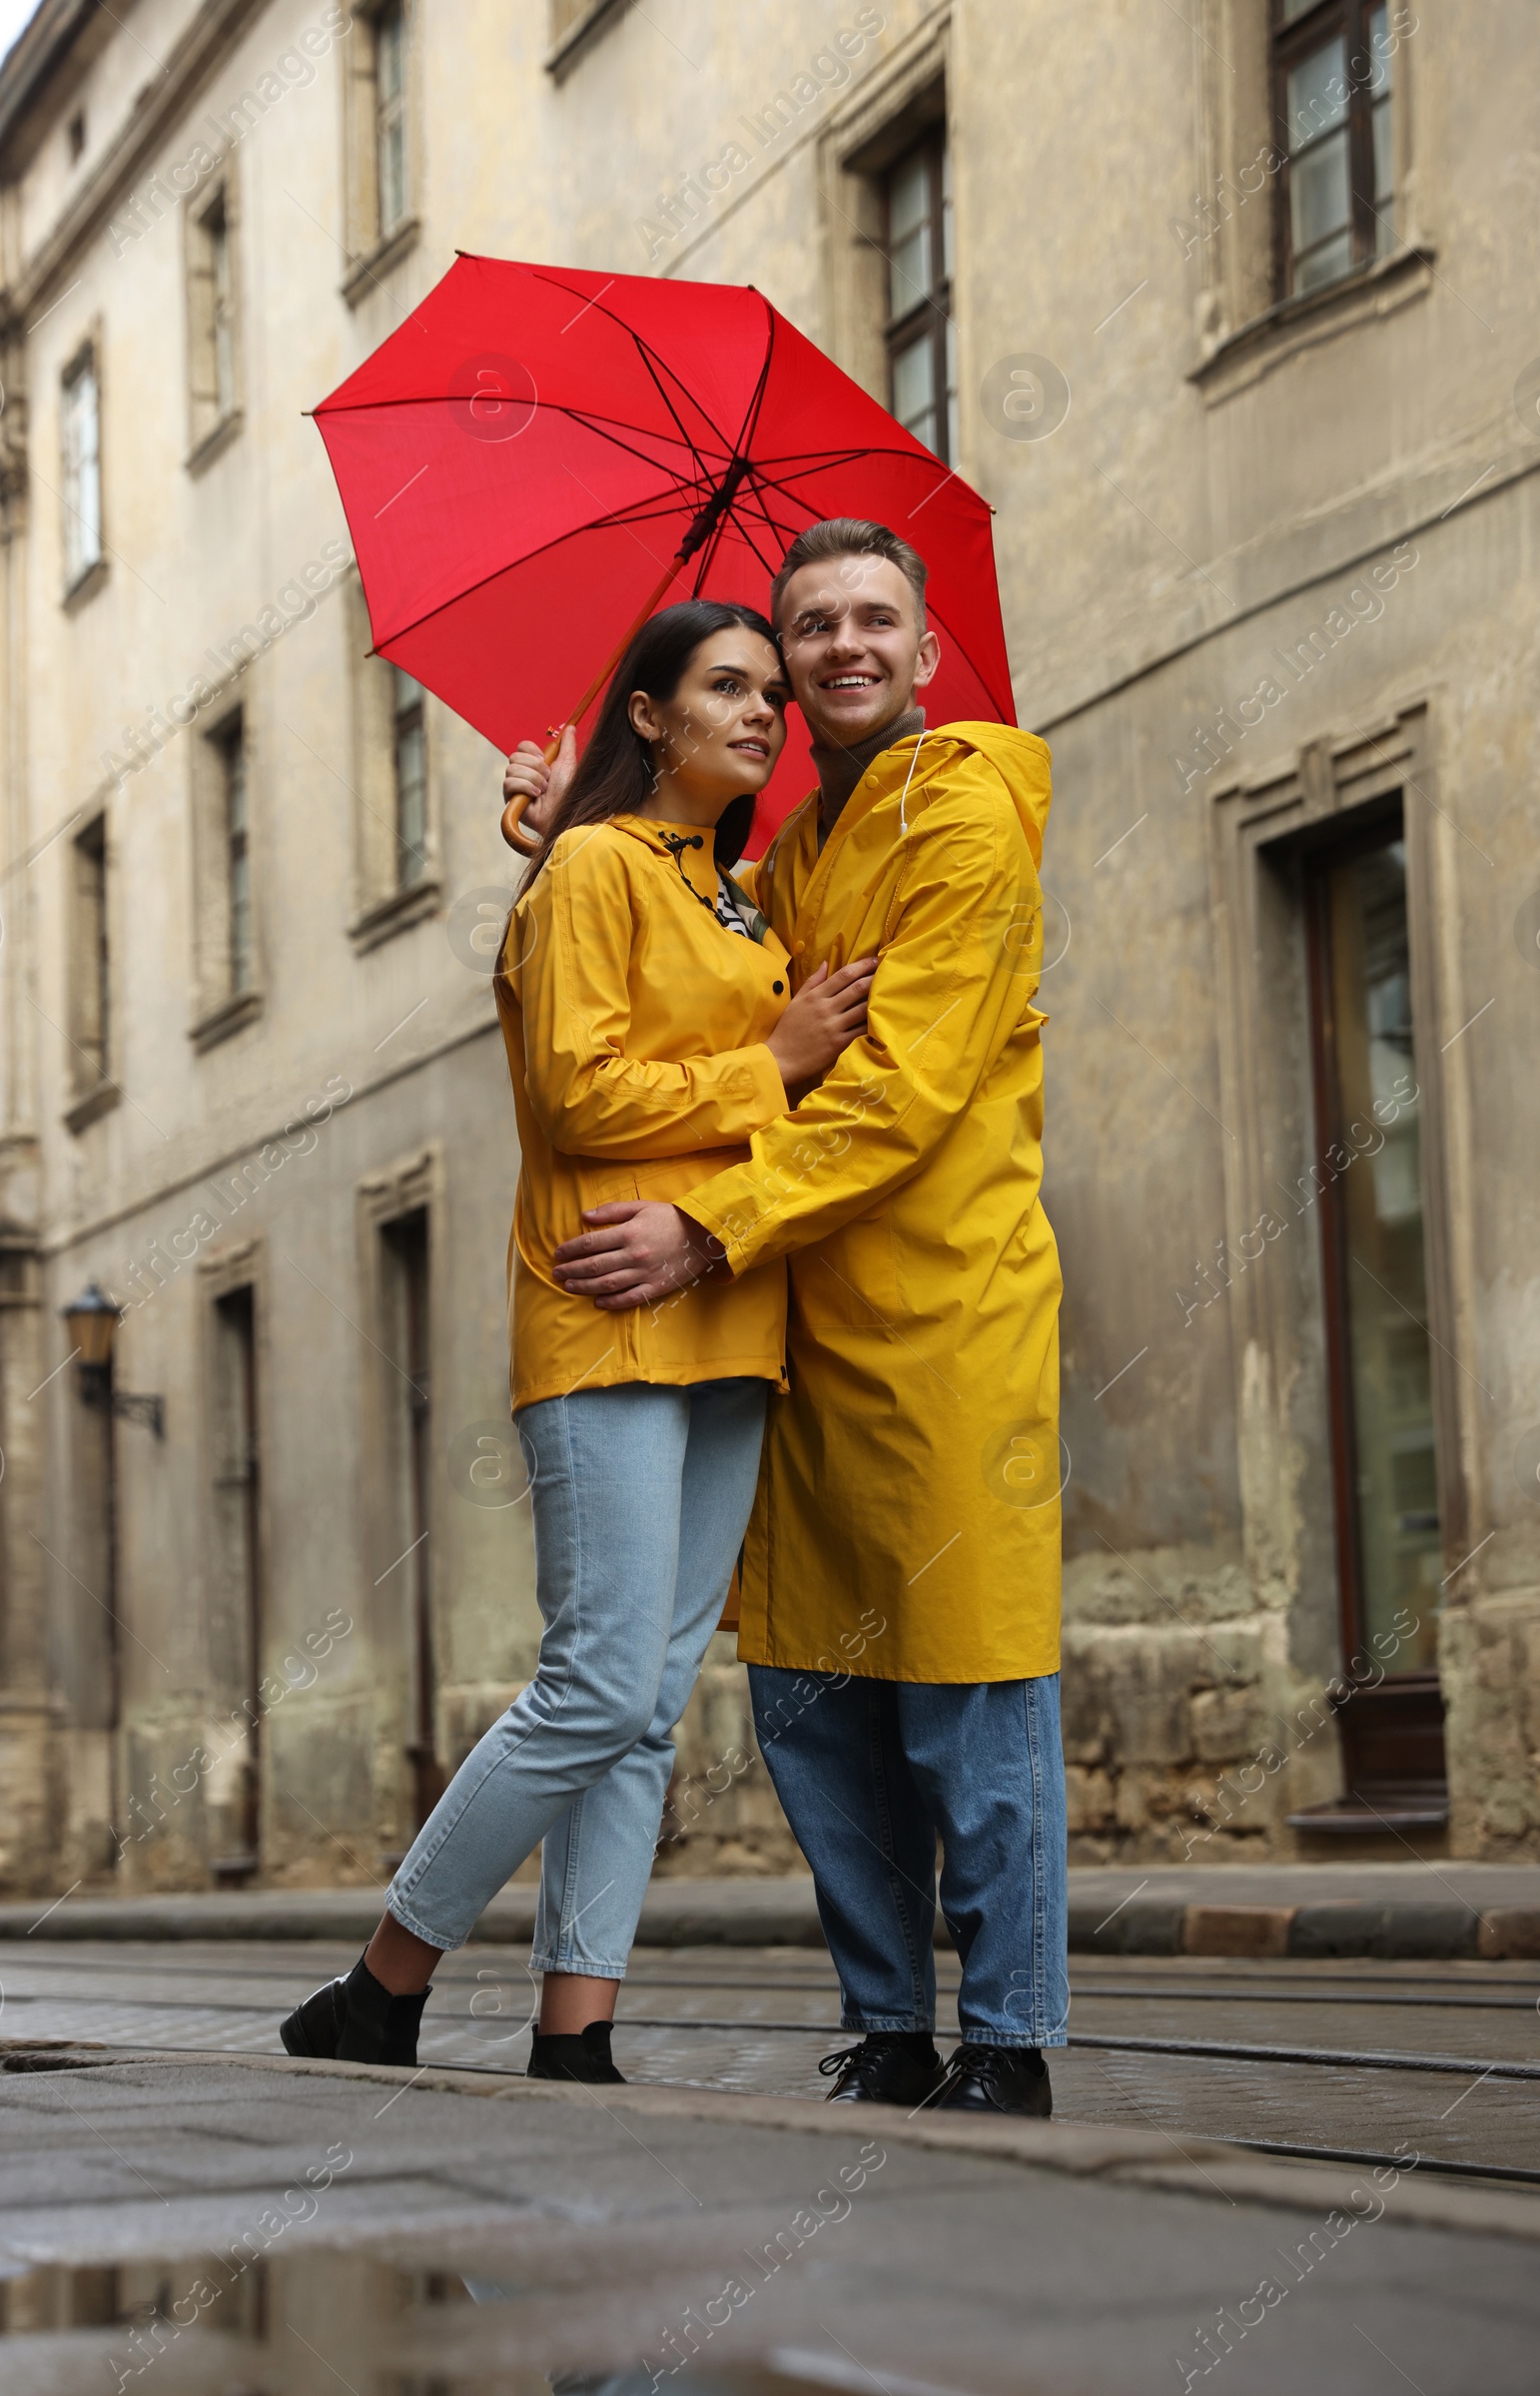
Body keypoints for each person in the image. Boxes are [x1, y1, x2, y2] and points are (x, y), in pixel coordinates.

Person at [281, 599, 877, 2082]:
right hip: (607, 1316)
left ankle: (578, 2029)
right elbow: (578, 1096)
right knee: (597, 1682)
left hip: (735, 1326)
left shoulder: (741, 898)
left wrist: (771, 1050)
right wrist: (777, 1060)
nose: (762, 711)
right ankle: (385, 1976)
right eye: (724, 687)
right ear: (648, 718)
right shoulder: (597, 870)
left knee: (650, 1710)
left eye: (768, 692)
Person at [551, 520, 1068, 2115]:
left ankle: (1011, 2043)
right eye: (807, 631)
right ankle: (892, 2024)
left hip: (943, 1312)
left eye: (871, 622)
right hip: (801, 1329)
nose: (839, 649)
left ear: (923, 656)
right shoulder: (792, 855)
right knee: (817, 1699)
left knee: (967, 1689)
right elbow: (695, 966)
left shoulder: (964, 811)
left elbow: (904, 1092)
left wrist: (705, 1228)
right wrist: (568, 835)